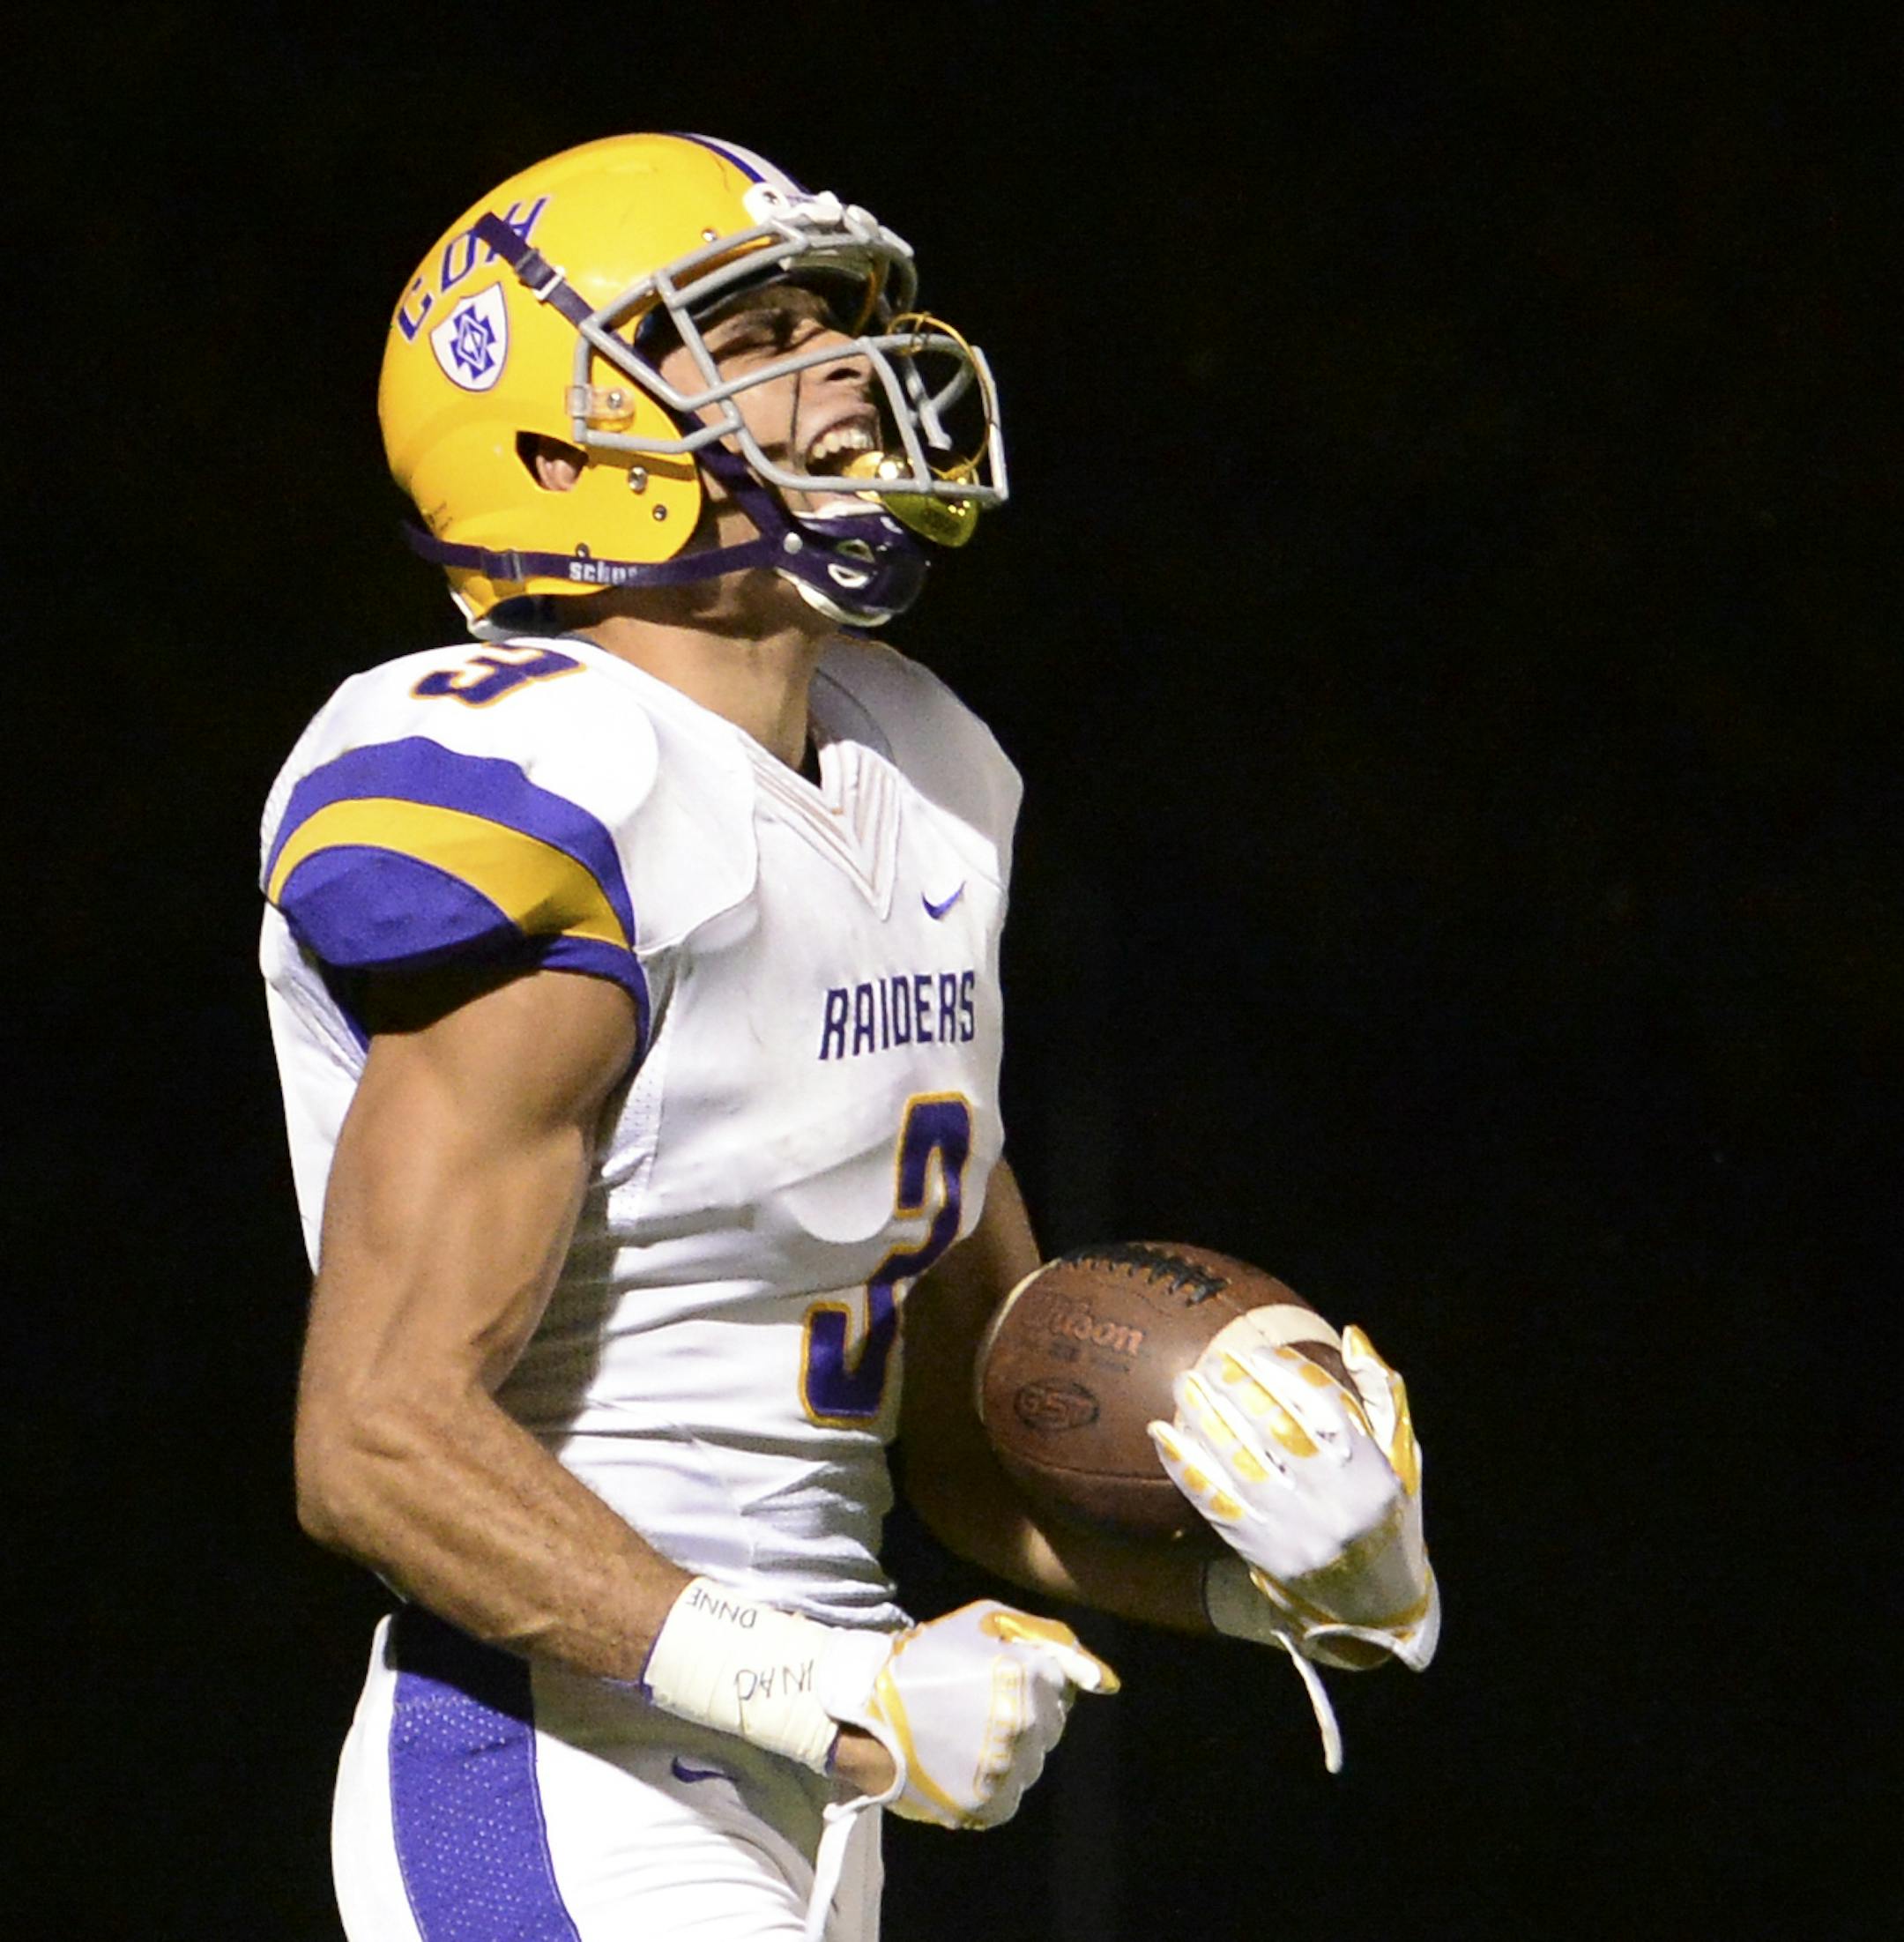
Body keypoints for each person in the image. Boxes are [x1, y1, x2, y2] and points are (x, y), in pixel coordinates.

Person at [260, 132, 1439, 1942]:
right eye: (751, 333)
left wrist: (1301, 1581)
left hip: (801, 1776)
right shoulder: (550, 789)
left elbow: (979, 1426)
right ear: (562, 452)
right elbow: (377, 1435)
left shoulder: (928, 779)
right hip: (551, 1759)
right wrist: (826, 1684)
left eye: (832, 320)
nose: (840, 376)